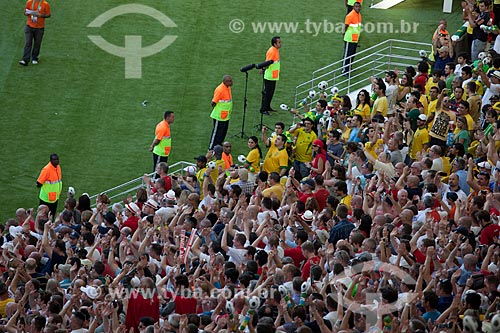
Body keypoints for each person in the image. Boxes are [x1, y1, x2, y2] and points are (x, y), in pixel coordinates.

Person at [19, 0, 51, 66]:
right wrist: (26, 13)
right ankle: (25, 60)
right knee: (28, 42)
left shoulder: (45, 4)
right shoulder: (29, 2)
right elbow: (25, 12)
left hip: (39, 27)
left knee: (37, 43)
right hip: (29, 26)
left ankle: (34, 58)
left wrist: (41, 15)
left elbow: (48, 14)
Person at [209, 75, 233, 149]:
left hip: (225, 115)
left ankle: (218, 146)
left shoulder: (228, 87)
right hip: (219, 116)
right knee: (216, 133)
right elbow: (213, 102)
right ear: (225, 82)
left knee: (223, 132)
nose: (231, 82)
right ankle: (211, 148)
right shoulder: (220, 90)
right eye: (230, 81)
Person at [260, 36, 282, 115]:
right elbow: (267, 62)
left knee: (271, 92)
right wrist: (262, 69)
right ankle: (263, 109)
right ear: (274, 44)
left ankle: (268, 106)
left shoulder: (275, 50)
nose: (280, 44)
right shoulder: (272, 51)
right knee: (267, 93)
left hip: (273, 76)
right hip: (269, 76)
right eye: (279, 42)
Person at [342, 1, 362, 75]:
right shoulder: (350, 15)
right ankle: (344, 70)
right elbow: (346, 25)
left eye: (359, 7)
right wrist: (343, 32)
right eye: (356, 7)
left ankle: (349, 68)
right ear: (353, 7)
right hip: (349, 38)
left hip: (355, 38)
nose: (358, 8)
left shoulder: (359, 15)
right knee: (347, 54)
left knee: (352, 54)